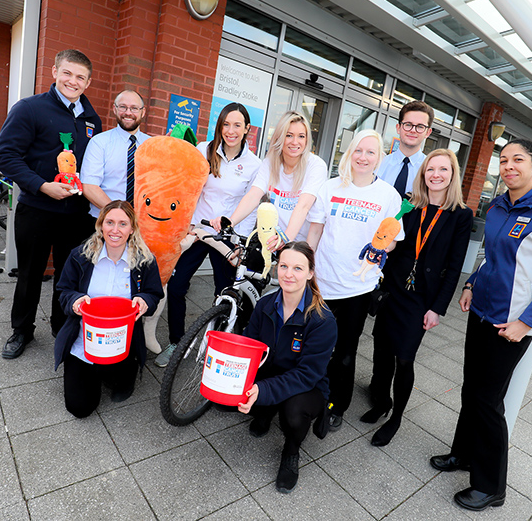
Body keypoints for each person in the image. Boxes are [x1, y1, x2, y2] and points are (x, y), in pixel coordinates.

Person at [430, 139, 532, 512]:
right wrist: (470, 284)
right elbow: (490, 258)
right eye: (504, 160)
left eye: (518, 160)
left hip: (510, 325)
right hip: (480, 312)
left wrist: (526, 323)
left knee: (488, 401)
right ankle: (462, 453)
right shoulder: (497, 205)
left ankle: (491, 486)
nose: (509, 166)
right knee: (470, 391)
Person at [0, 49, 103, 359]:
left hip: (76, 214)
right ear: (55, 72)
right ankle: (22, 330)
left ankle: (61, 326)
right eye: (67, 73)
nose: (73, 81)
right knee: (30, 272)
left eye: (80, 77)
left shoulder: (91, 119)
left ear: (88, 81)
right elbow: (4, 155)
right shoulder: (30, 109)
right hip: (38, 210)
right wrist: (42, 186)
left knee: (68, 275)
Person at [364, 149, 473, 446]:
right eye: (430, 169)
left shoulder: (461, 216)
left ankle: (397, 416)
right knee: (382, 350)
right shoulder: (409, 206)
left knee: (404, 358)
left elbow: (454, 267)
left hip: (421, 297)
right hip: (394, 289)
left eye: (443, 170)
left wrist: (437, 308)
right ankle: (381, 402)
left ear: (452, 176)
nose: (436, 175)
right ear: (423, 174)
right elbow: (394, 243)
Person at [306, 129, 403, 430]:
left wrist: (382, 247)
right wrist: (306, 267)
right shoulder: (330, 187)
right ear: (349, 153)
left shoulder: (388, 195)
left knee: (346, 352)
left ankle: (337, 403)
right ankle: (306, 394)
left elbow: (393, 239)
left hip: (357, 289)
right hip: (322, 282)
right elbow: (315, 231)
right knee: (311, 345)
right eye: (358, 151)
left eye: (371, 152)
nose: (363, 157)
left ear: (379, 157)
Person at [155, 103, 263, 367]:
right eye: (226, 124)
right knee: (177, 287)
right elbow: (185, 184)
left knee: (223, 293)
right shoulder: (204, 149)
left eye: (237, 125)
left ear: (247, 128)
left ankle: (215, 346)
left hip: (228, 237)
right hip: (198, 230)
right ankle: (176, 342)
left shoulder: (254, 164)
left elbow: (251, 204)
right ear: (219, 126)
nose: (231, 130)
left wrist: (240, 239)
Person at [238, 241, 337, 494]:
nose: (289, 274)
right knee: (226, 398)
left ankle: (291, 452)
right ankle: (265, 411)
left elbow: (307, 375)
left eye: (297, 268)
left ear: (310, 273)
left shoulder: (322, 320)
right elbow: (250, 347)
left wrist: (261, 389)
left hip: (307, 386)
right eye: (283, 266)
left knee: (293, 415)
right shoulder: (264, 305)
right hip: (270, 373)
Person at [54, 200, 164, 418]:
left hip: (122, 342)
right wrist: (75, 301)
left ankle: (125, 372)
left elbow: (154, 294)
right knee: (79, 408)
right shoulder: (80, 256)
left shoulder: (144, 261)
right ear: (100, 225)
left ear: (132, 228)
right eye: (110, 222)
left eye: (123, 224)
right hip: (84, 341)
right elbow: (63, 290)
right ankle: (92, 371)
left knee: (119, 385)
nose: (115, 230)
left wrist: (144, 301)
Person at [213, 111, 328, 243]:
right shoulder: (270, 162)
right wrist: (230, 222)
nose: (295, 142)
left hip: (300, 244)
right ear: (280, 137)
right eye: (289, 135)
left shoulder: (316, 166)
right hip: (273, 239)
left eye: (301, 136)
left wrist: (285, 240)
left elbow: (303, 206)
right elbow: (253, 196)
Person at [80, 90, 150, 218]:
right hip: (104, 220)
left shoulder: (152, 145)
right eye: (123, 107)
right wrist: (120, 215)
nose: (128, 113)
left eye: (134, 108)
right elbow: (89, 186)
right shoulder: (99, 142)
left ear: (143, 112)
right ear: (114, 109)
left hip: (142, 225)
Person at [376, 101, 435, 198]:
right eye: (408, 124)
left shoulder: (431, 170)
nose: (413, 130)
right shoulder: (379, 165)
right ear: (398, 128)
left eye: (420, 126)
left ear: (428, 133)